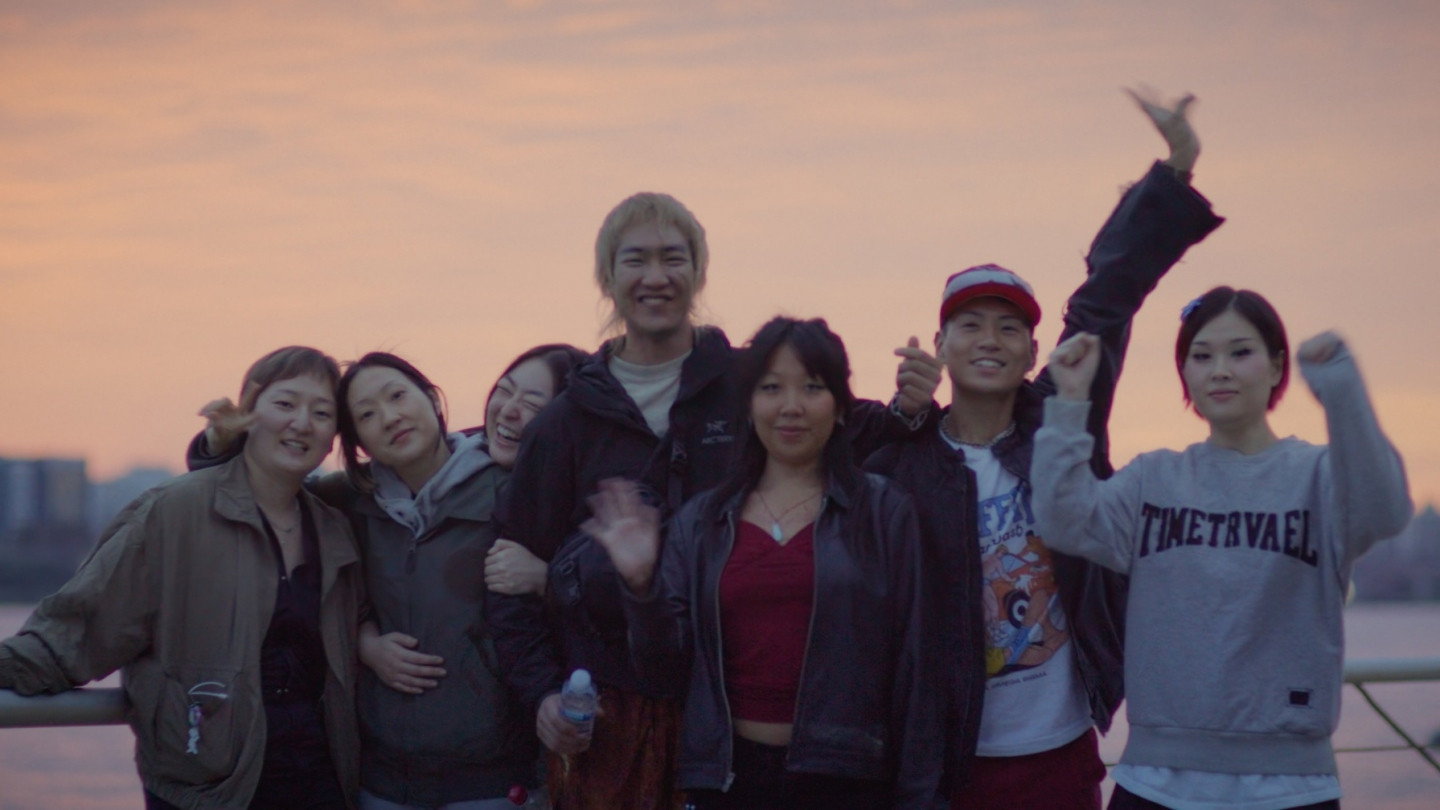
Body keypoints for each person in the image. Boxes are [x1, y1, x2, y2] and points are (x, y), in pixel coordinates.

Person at [490, 193, 932, 809]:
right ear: (607, 278)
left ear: (699, 273)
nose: (656, 277)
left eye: (674, 258)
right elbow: (507, 588)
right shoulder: (564, 424)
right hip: (617, 719)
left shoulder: (752, 382)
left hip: (757, 722)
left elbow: (850, 433)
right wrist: (542, 693)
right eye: (635, 260)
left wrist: (911, 412)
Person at [863, 89, 1224, 809]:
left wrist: (1176, 168)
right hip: (945, 761)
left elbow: (1105, 299)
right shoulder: (902, 460)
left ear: (1034, 352)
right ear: (939, 346)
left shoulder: (1063, 424)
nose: (989, 340)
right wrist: (900, 416)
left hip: (1061, 752)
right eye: (970, 325)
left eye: (1009, 328)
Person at [1034, 287, 1412, 810]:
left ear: (1276, 366)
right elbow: (1063, 521)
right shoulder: (1153, 478)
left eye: (1240, 352)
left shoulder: (1320, 477)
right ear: (1184, 373)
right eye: (1202, 356)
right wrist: (1070, 401)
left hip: (1291, 786)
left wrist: (1340, 387)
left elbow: (1386, 511)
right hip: (1154, 782)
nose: (1220, 371)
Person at [190, 343, 587, 810]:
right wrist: (363, 641)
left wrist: (547, 577)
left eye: (398, 396)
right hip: (380, 783)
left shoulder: (512, 489)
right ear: (357, 441)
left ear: (432, 399)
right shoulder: (346, 503)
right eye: (366, 414)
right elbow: (261, 492)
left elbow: (597, 585)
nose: (389, 417)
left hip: (494, 782)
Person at [586, 316, 939, 809]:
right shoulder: (703, 522)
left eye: (812, 387)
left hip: (848, 778)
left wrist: (919, 797)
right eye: (771, 388)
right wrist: (641, 586)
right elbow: (664, 673)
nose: (791, 406)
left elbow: (916, 669)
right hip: (729, 779)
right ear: (748, 406)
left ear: (841, 406)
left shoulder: (883, 512)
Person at [0, 346, 363, 809]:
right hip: (207, 786)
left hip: (321, 784)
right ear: (248, 414)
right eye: (285, 404)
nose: (302, 423)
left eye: (322, 413)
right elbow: (81, 628)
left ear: (333, 437)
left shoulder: (333, 530)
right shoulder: (176, 511)